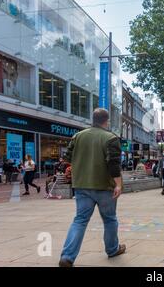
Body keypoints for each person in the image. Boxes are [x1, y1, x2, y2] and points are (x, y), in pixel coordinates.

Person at [59, 109, 124, 267]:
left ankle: (67, 256)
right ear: (106, 121)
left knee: (80, 220)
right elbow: (113, 164)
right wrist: (119, 184)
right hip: (104, 186)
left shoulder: (78, 136)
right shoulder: (111, 138)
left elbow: (66, 158)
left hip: (81, 185)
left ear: (93, 119)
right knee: (109, 219)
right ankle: (112, 249)